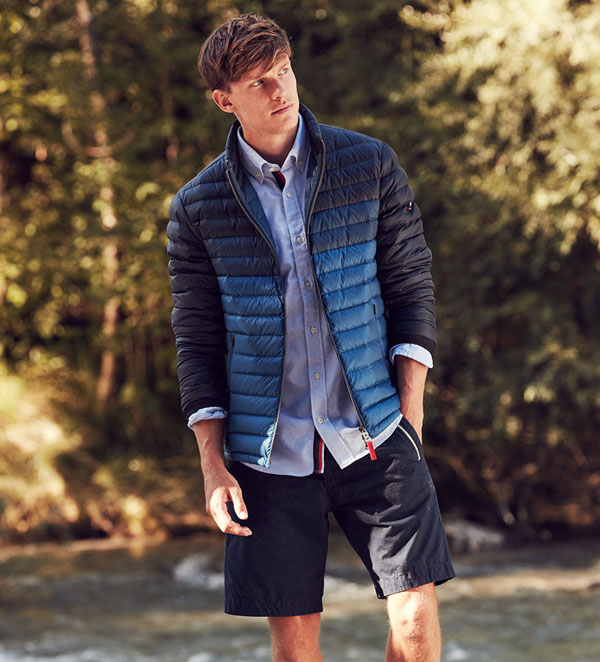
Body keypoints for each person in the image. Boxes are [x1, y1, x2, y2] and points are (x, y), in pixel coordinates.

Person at [167, 13, 455, 662]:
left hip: (377, 433)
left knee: (414, 622)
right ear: (224, 100)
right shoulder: (198, 207)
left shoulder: (368, 164)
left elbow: (411, 287)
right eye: (259, 82)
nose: (280, 90)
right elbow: (197, 342)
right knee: (295, 649)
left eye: (284, 71)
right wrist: (213, 467)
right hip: (268, 456)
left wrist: (410, 416)